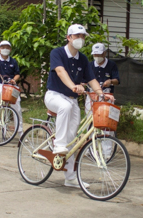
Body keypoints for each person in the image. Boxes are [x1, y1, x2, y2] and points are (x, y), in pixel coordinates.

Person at [44, 24, 104, 188]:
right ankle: (58, 145)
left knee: (73, 140)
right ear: (69, 38)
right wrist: (73, 86)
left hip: (72, 100)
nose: (80, 39)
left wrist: (101, 94)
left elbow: (91, 79)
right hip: (54, 95)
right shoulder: (57, 52)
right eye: (77, 36)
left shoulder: (83, 59)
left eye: (83, 36)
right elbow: (60, 71)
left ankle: (70, 178)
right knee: (65, 107)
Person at [0, 40, 23, 135]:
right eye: (3, 47)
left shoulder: (13, 61)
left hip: (11, 85)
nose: (5, 49)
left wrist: (14, 80)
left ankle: (20, 131)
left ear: (10, 49)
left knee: (17, 106)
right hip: (0, 84)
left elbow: (17, 74)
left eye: (7, 47)